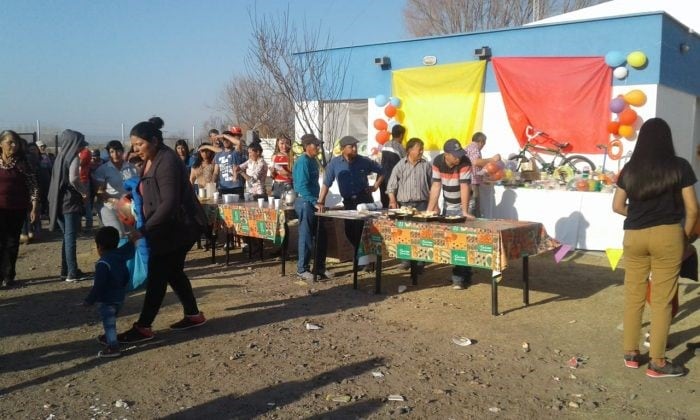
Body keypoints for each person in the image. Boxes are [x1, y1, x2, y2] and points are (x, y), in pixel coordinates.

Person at [612, 117, 697, 378]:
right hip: (668, 235)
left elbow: (617, 206)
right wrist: (682, 236)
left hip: (634, 235)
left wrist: (638, 215)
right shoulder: (679, 166)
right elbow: (693, 209)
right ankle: (658, 362)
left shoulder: (629, 169)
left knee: (633, 296)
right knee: (661, 301)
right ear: (667, 139)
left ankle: (631, 353)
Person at [117, 116, 205, 343]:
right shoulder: (152, 157)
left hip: (178, 227)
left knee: (158, 273)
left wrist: (143, 229)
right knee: (173, 272)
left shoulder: (167, 161)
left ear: (154, 141)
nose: (135, 149)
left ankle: (144, 327)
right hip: (167, 227)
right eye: (133, 144)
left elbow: (169, 203)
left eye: (139, 144)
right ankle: (194, 315)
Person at [318, 135, 384, 269]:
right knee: (349, 231)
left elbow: (382, 171)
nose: (355, 149)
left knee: (363, 231)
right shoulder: (334, 164)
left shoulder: (364, 161)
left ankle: (366, 261)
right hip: (348, 202)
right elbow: (326, 184)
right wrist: (321, 201)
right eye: (351, 146)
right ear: (343, 149)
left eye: (356, 146)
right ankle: (362, 257)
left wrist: (376, 186)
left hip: (364, 200)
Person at [427, 138, 475, 290]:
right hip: (448, 203)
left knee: (463, 240)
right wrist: (430, 209)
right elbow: (436, 186)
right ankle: (464, 272)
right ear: (446, 154)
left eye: (459, 154)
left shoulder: (465, 162)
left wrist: (465, 211)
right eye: (455, 155)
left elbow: (464, 187)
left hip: (464, 203)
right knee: (452, 240)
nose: (458, 158)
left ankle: (459, 277)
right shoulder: (437, 162)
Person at [48, 129, 90, 282]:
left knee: (66, 237)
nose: (82, 148)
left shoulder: (59, 158)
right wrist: (83, 191)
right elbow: (73, 178)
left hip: (57, 202)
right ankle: (72, 273)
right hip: (69, 202)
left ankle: (65, 270)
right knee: (71, 237)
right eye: (80, 144)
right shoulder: (73, 157)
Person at [84, 226, 132, 358]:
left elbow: (99, 285)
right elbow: (126, 275)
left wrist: (90, 300)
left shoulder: (103, 263)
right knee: (111, 320)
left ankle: (113, 346)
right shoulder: (119, 256)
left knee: (109, 323)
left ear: (99, 246)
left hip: (107, 300)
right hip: (119, 298)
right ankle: (109, 338)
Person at [0, 130, 39, 288]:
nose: (14, 146)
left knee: (11, 242)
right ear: (1, 144)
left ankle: (8, 275)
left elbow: (33, 187)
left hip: (17, 208)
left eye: (15, 142)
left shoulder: (23, 163)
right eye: (10, 142)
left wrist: (34, 208)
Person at [386, 137, 432, 270]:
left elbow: (433, 184)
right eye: (419, 149)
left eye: (422, 149)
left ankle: (420, 262)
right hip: (405, 205)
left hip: (422, 205)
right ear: (410, 150)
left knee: (421, 234)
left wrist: (434, 204)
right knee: (405, 234)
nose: (421, 151)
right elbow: (391, 186)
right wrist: (393, 201)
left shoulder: (426, 165)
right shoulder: (400, 165)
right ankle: (406, 260)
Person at [293, 134, 332, 282]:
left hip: (315, 202)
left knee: (322, 235)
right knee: (306, 235)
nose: (318, 148)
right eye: (315, 145)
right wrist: (313, 202)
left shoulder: (313, 161)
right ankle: (302, 269)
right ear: (307, 146)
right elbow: (301, 186)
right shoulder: (303, 162)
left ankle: (320, 267)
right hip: (305, 202)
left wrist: (319, 201)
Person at [92, 141, 138, 237]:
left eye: (118, 151)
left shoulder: (132, 168)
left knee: (131, 234)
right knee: (118, 234)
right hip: (109, 207)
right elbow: (99, 191)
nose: (115, 154)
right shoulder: (103, 169)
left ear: (123, 151)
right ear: (108, 153)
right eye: (112, 152)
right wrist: (113, 200)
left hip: (128, 207)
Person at [464, 132, 501, 217]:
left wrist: (483, 177)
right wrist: (492, 159)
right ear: (481, 142)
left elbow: (474, 166)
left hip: (471, 181)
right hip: (472, 183)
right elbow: (476, 162)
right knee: (473, 209)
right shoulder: (474, 147)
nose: (483, 146)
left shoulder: (469, 148)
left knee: (473, 207)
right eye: (484, 144)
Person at [212, 131, 246, 199]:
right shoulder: (218, 155)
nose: (225, 141)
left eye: (227, 139)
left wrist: (224, 135)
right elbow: (216, 172)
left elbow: (238, 143)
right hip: (223, 188)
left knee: (238, 209)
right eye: (223, 139)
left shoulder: (236, 151)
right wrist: (212, 183)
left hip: (236, 187)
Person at [380, 124, 407, 208]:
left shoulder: (385, 145)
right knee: (396, 207)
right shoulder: (400, 148)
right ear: (402, 135)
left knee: (385, 205)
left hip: (383, 180)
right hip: (395, 182)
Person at [269, 134, 294, 199]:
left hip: (288, 185)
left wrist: (287, 174)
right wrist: (272, 172)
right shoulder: (274, 157)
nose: (284, 146)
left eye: (287, 143)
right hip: (276, 185)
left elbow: (295, 175)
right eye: (282, 143)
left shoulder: (292, 156)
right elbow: (272, 176)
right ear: (277, 143)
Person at [36, 140, 53, 217]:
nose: (43, 147)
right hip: (37, 180)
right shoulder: (34, 157)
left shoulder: (46, 156)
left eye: (44, 146)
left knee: (46, 196)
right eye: (41, 146)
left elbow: (50, 167)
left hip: (46, 179)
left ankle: (44, 212)